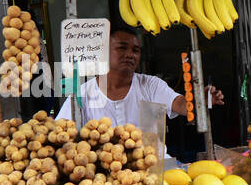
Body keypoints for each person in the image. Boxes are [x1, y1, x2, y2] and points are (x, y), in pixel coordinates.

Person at [55, 26, 224, 160]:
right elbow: (60, 133)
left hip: (155, 168)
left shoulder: (150, 85)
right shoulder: (82, 94)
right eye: (122, 48)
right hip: (105, 178)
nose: (130, 54)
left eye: (135, 50)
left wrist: (199, 99)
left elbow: (181, 105)